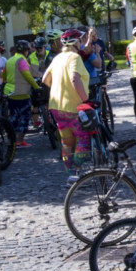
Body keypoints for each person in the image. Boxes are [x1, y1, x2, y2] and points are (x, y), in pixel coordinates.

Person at [42, 29, 90, 186]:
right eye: (80, 40)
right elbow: (75, 79)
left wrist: (59, 88)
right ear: (75, 42)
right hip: (73, 106)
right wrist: (86, 100)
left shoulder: (57, 58)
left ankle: (71, 177)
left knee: (67, 142)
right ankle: (76, 172)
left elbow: (45, 79)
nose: (81, 43)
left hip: (56, 106)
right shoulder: (75, 57)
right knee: (83, 139)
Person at [2, 40, 41, 147]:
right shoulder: (21, 60)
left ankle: (12, 139)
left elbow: (3, 75)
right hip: (21, 92)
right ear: (26, 50)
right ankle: (19, 140)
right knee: (25, 117)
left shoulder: (9, 60)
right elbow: (27, 75)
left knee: (14, 116)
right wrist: (36, 87)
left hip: (10, 92)